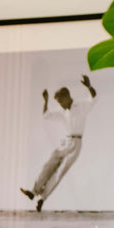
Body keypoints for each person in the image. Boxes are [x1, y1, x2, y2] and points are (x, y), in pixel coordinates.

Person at [20, 74, 96, 211]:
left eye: (61, 101)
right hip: (65, 142)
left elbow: (93, 98)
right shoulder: (63, 112)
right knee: (49, 164)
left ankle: (42, 199)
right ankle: (33, 191)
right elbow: (46, 115)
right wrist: (46, 101)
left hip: (76, 143)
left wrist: (89, 86)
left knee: (59, 172)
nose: (60, 105)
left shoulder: (81, 107)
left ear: (67, 97)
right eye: (58, 103)